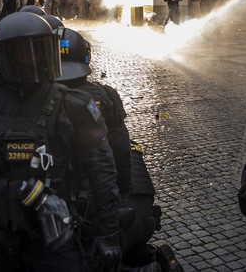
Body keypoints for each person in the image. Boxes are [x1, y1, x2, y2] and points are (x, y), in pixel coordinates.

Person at [0, 12, 121, 271]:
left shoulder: (72, 107)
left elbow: (102, 174)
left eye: (41, 50)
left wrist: (108, 235)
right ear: (5, 57)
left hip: (55, 241)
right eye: (26, 52)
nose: (34, 59)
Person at [56, 27, 182, 271]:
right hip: (100, 204)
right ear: (86, 57)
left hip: (57, 211)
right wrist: (122, 191)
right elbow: (122, 151)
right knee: (142, 223)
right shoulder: (106, 95)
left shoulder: (40, 101)